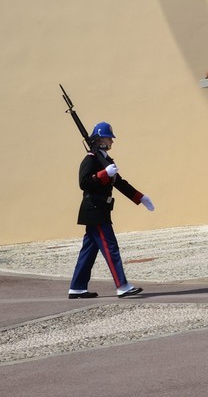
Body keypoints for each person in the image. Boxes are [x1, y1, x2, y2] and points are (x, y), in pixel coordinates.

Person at [68, 120, 153, 299]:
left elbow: (120, 183)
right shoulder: (90, 159)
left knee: (89, 250)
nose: (112, 142)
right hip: (95, 210)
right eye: (109, 138)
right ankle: (122, 286)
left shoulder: (105, 160)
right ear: (100, 140)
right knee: (110, 247)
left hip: (100, 209)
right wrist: (104, 174)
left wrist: (140, 198)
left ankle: (77, 287)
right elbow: (84, 183)